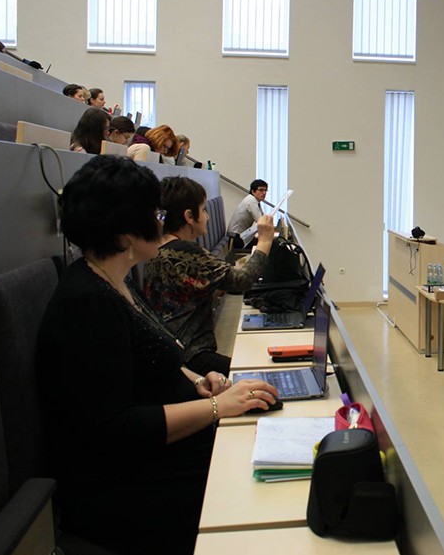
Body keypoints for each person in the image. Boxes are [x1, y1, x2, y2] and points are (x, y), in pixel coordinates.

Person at [36, 155, 278, 554]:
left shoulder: (115, 281)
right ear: (125, 233)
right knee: (253, 475)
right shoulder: (88, 303)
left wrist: (199, 381)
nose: (161, 224)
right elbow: (115, 427)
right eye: (156, 214)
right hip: (128, 488)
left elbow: (155, 358)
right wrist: (217, 407)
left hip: (159, 458)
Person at [143, 176, 274, 375]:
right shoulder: (187, 252)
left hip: (175, 356)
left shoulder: (157, 249)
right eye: (203, 210)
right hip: (194, 358)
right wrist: (265, 241)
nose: (207, 216)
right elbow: (243, 281)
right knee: (261, 379)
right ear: (189, 216)